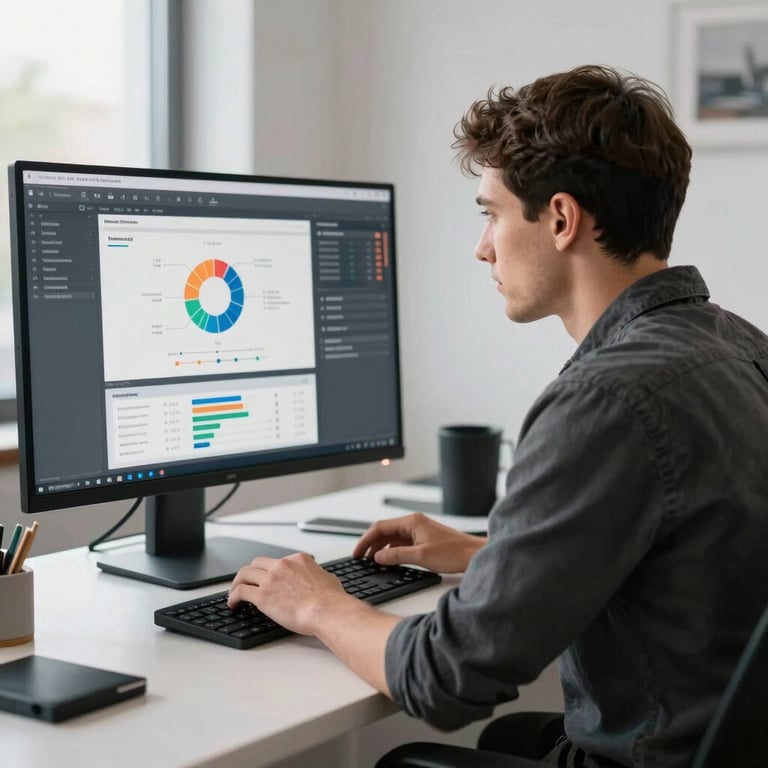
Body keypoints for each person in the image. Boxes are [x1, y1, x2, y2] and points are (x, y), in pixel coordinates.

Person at [228, 64, 768, 767]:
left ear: (562, 220)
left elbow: (446, 676)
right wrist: (492, 556)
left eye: (492, 213)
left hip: (650, 755)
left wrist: (317, 604)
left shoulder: (605, 400)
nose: (482, 246)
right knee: (507, 742)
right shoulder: (741, 346)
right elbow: (692, 562)